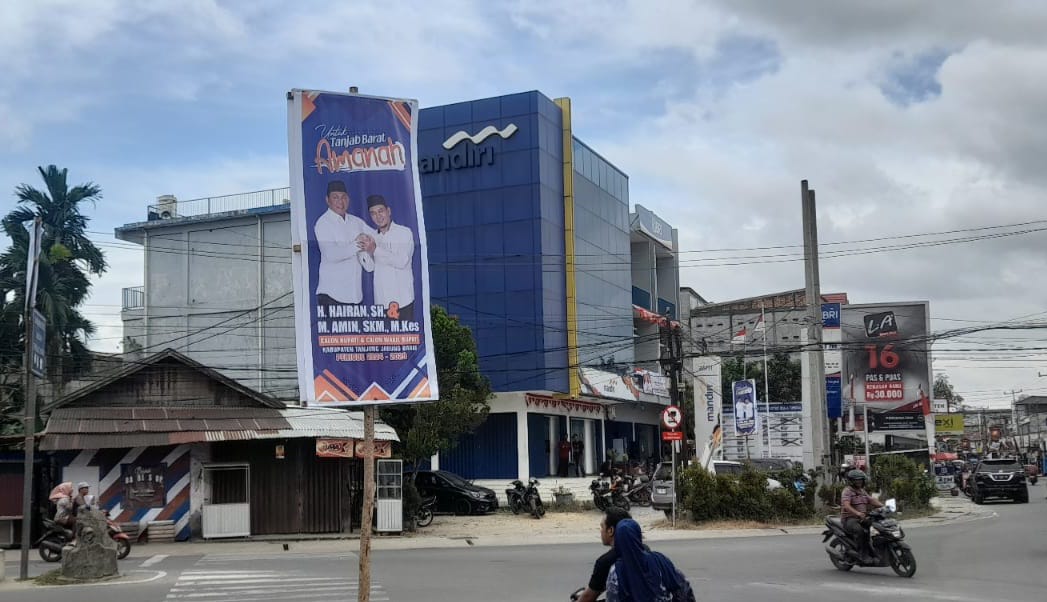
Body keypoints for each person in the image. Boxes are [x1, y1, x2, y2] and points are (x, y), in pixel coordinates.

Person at [314, 180, 374, 305]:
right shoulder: (323, 223)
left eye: (343, 197)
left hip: (355, 297)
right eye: (335, 197)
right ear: (327, 200)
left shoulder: (356, 221)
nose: (340, 202)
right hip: (331, 296)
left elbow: (376, 236)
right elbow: (331, 254)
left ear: (348, 199)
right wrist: (358, 243)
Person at [605, 519, 694, 602]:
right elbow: (681, 585)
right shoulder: (659, 560)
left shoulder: (616, 572)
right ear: (638, 536)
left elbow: (612, 598)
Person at [358, 194, 416, 320]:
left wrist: (375, 250)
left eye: (381, 211)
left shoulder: (404, 232)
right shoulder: (372, 237)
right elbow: (369, 267)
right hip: (382, 302)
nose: (378, 217)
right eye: (373, 213)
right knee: (384, 339)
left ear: (388, 211)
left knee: (406, 339)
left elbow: (402, 261)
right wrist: (362, 249)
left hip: (403, 302)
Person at [577, 507, 632, 602]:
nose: (600, 531)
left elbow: (588, 597)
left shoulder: (606, 562)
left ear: (610, 530)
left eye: (602, 527)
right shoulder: (645, 549)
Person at [841, 469, 883, 562]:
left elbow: (871, 500)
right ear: (851, 481)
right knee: (860, 531)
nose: (859, 482)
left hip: (862, 518)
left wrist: (883, 506)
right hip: (849, 519)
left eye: (861, 480)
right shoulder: (847, 491)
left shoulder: (862, 491)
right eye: (857, 480)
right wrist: (857, 513)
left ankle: (874, 550)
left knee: (877, 528)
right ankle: (862, 554)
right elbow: (846, 506)